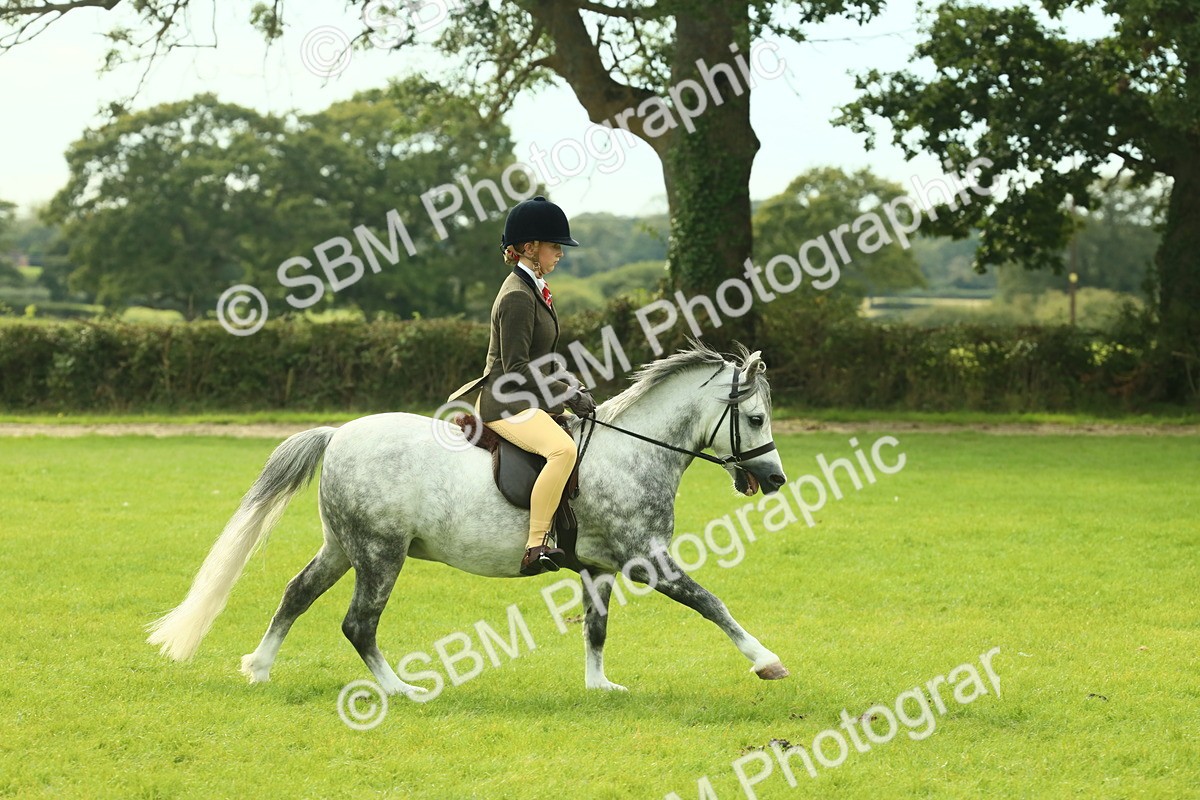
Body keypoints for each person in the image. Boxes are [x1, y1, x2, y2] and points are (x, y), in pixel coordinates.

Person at [447, 196, 597, 576]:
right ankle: (535, 546)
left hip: (525, 398)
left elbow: (538, 359)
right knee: (563, 451)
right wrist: (565, 394)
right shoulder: (517, 295)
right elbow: (515, 367)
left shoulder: (533, 288)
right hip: (505, 402)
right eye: (554, 246)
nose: (560, 254)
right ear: (530, 248)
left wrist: (569, 383)